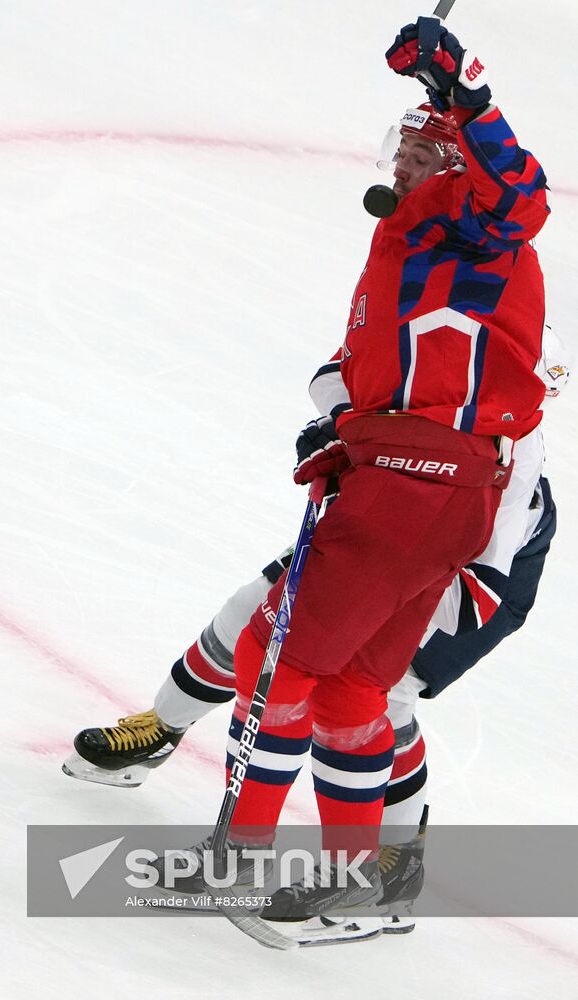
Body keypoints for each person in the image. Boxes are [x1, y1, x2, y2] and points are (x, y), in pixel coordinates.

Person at [68, 18, 554, 939]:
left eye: (421, 153)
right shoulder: (407, 252)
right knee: (337, 685)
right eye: (401, 149)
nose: (401, 167)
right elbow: (353, 372)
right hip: (411, 487)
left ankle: (248, 859)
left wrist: (467, 94)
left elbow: (522, 195)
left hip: (446, 514)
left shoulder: (480, 242)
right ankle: (358, 885)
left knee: (284, 659)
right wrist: (341, 428)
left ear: (454, 165)